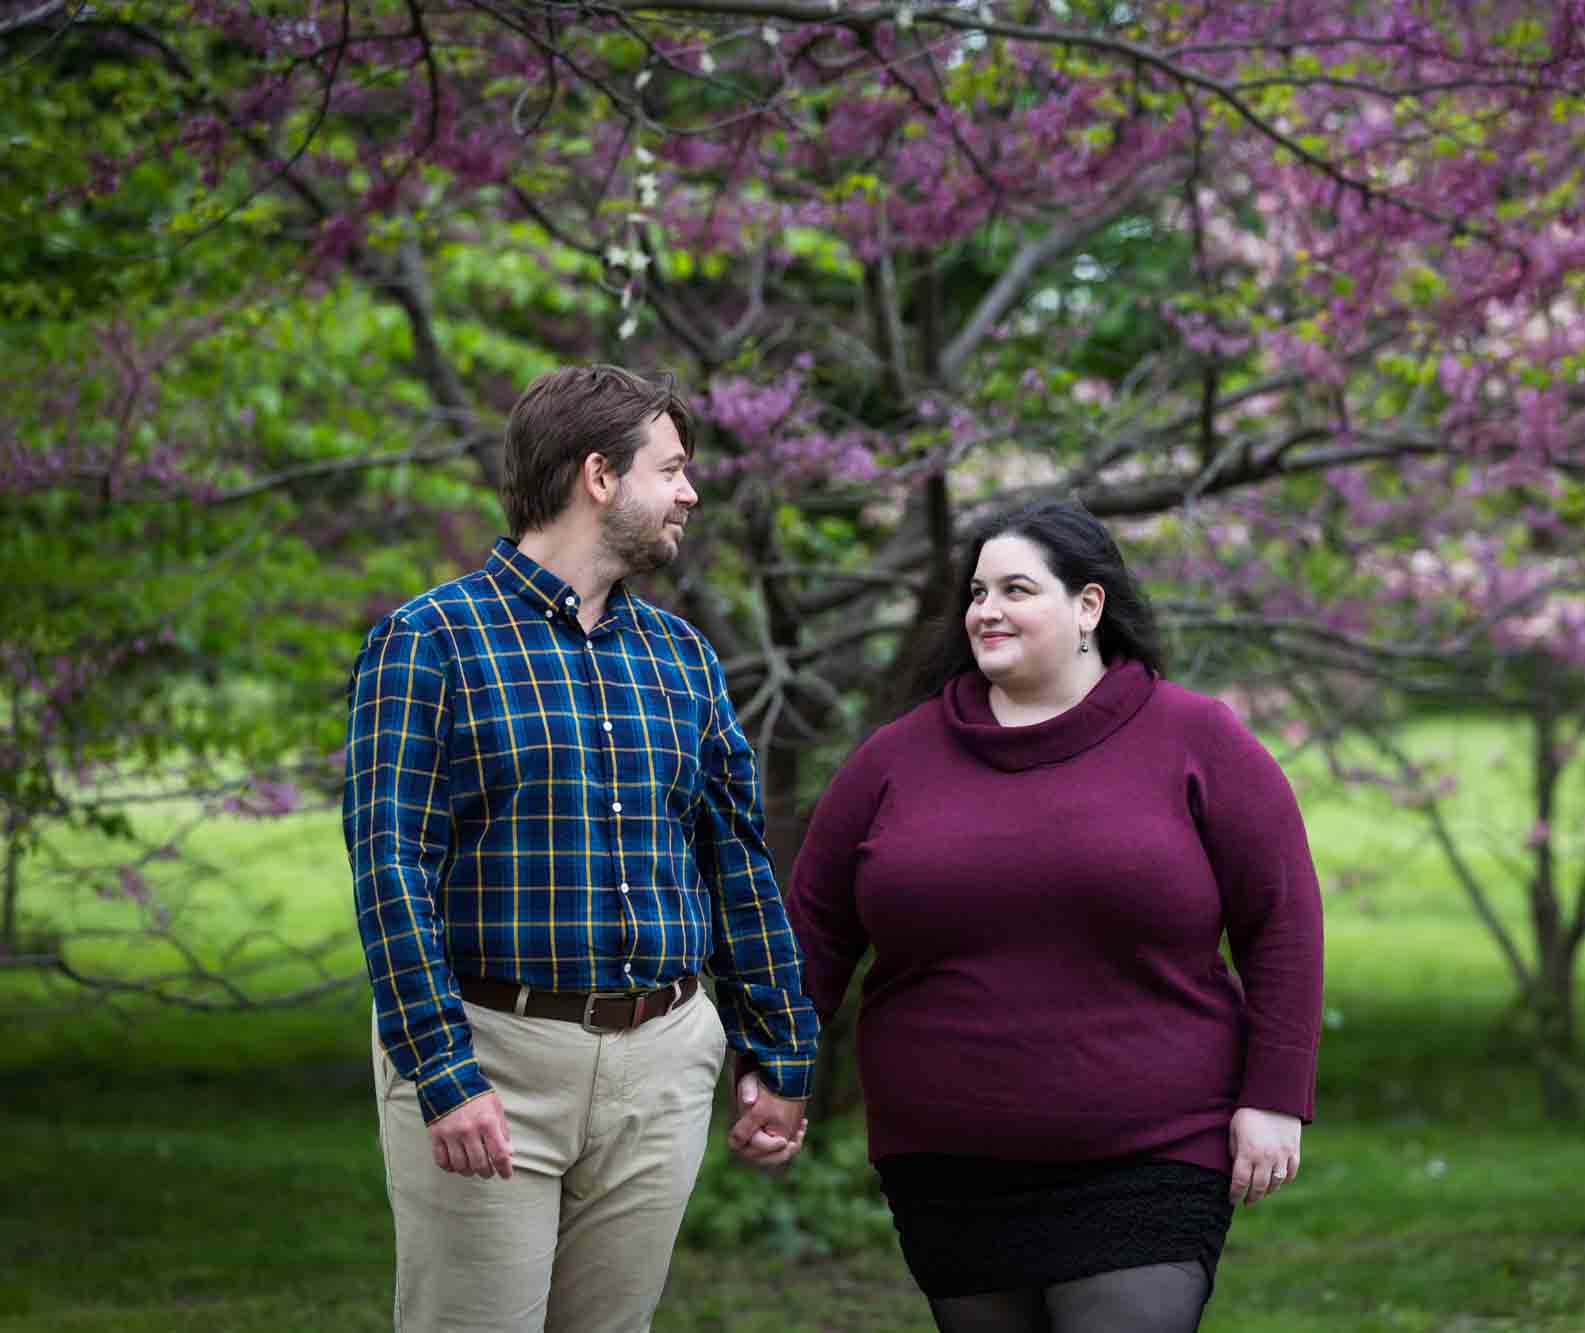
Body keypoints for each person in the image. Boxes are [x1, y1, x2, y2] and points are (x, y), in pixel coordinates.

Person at [766, 497, 1324, 1332]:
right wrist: (778, 1069)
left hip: (1153, 1152)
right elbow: (811, 929)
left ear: (1088, 605)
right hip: (948, 1164)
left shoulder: (1196, 739)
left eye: (1016, 589)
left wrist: (1275, 1093)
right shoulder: (894, 758)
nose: (986, 610)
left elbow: (1282, 919)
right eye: (978, 592)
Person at [342, 364, 819, 1332]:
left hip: (662, 1057)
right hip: (494, 1054)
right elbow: (391, 870)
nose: (690, 492)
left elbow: (734, 865)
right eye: (672, 468)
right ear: (598, 475)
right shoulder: (428, 641)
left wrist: (779, 1051)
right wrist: (444, 1071)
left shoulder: (678, 656)